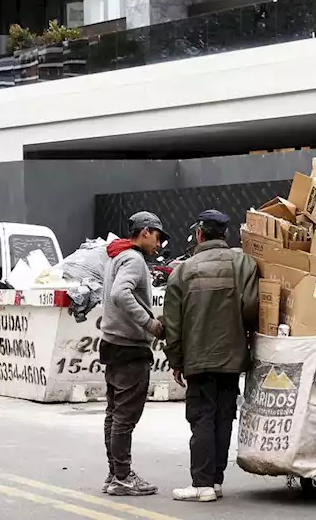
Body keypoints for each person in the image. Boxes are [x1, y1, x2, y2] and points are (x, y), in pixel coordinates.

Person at [163, 210, 258, 503]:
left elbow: (173, 323)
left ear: (200, 235)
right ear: (225, 235)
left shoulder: (182, 270)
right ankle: (215, 481)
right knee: (223, 418)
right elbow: (251, 307)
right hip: (231, 358)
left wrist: (176, 359)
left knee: (202, 417)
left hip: (198, 358)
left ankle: (201, 484)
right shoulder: (243, 263)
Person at [101, 211, 168, 497]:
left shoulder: (117, 256)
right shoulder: (133, 260)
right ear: (145, 232)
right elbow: (120, 293)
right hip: (129, 348)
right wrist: (150, 323)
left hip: (113, 344)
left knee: (114, 415)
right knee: (125, 417)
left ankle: (114, 472)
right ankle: (123, 477)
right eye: (157, 237)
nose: (159, 244)